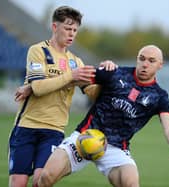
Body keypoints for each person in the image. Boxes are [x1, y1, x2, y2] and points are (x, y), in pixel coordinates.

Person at [37, 45, 169, 187]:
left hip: (115, 148)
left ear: (160, 65)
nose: (145, 64)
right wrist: (34, 88)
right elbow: (78, 76)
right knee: (46, 177)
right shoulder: (115, 73)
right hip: (85, 136)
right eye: (142, 59)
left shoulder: (159, 96)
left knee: (131, 183)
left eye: (151, 61)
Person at [8, 6, 116, 187]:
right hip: (26, 126)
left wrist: (108, 75)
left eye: (75, 30)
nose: (72, 34)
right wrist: (71, 77)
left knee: (41, 181)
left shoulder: (76, 61)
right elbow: (39, 87)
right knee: (18, 183)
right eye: (67, 28)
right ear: (54, 27)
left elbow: (93, 93)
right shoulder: (38, 51)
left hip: (53, 131)